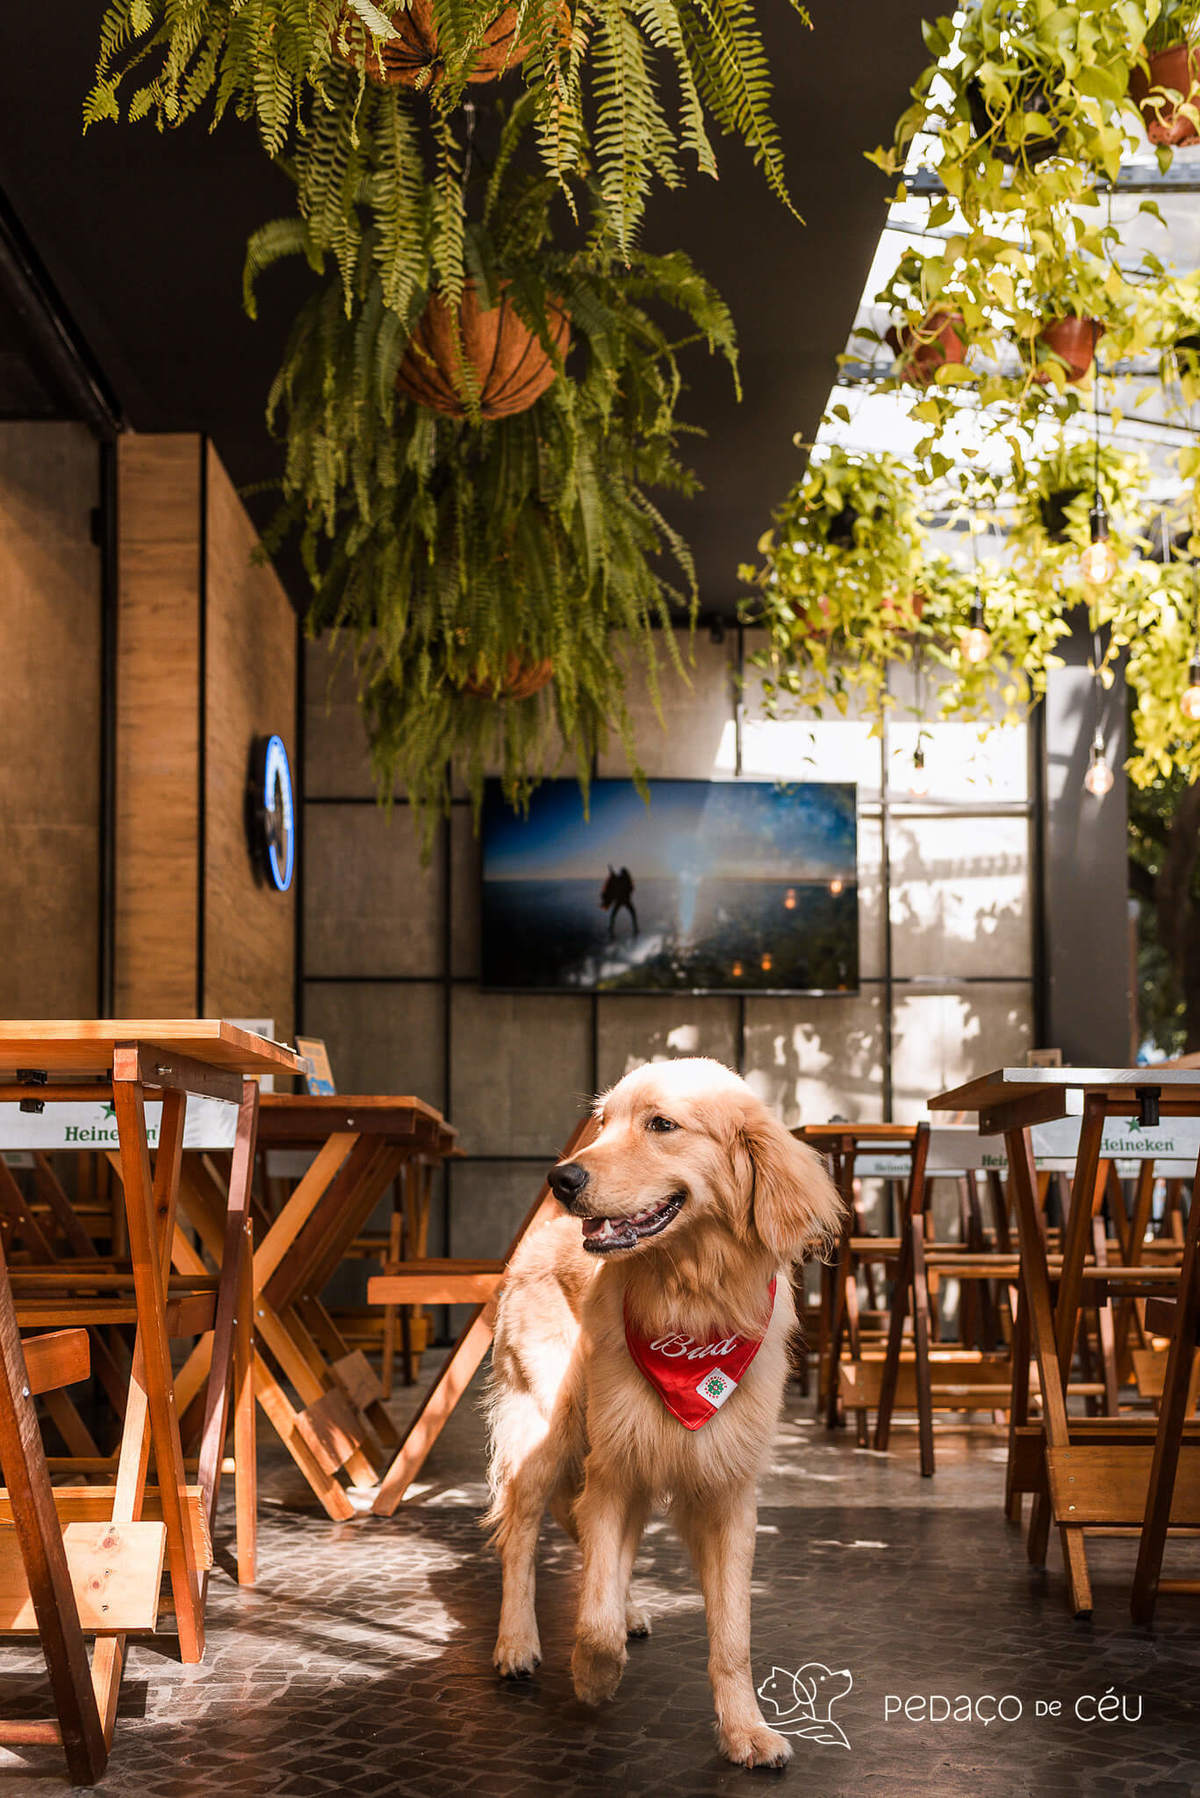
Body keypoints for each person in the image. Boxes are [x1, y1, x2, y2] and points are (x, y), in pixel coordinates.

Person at [600, 865, 638, 939]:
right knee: (631, 913)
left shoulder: (624, 879)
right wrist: (610, 870)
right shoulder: (626, 879)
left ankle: (634, 927)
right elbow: (614, 877)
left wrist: (611, 870)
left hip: (622, 900)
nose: (621, 873)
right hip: (624, 900)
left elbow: (614, 877)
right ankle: (635, 927)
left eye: (622, 872)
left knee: (616, 914)